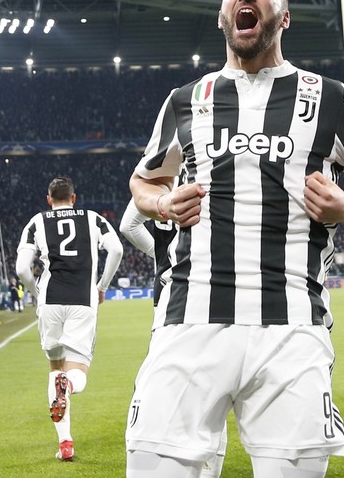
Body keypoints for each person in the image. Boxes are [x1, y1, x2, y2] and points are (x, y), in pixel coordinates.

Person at [125, 0, 344, 478]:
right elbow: (143, 181)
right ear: (222, 14)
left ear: (284, 14)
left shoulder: (330, 98)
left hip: (292, 327)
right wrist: (162, 203)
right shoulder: (186, 100)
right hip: (189, 318)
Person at [16, 175, 123, 462]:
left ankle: (65, 444)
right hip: (82, 301)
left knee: (55, 368)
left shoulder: (37, 221)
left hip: (50, 301)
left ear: (49, 199)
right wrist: (101, 286)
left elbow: (22, 268)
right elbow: (117, 249)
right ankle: (70, 386)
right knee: (76, 372)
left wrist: (36, 290)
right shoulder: (94, 219)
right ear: (73, 197)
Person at [120, 196, 227, 478]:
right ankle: (208, 470)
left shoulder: (161, 184)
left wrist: (162, 256)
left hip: (172, 297)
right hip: (217, 288)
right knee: (216, 386)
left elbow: (129, 226)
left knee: (161, 388)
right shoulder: (215, 169)